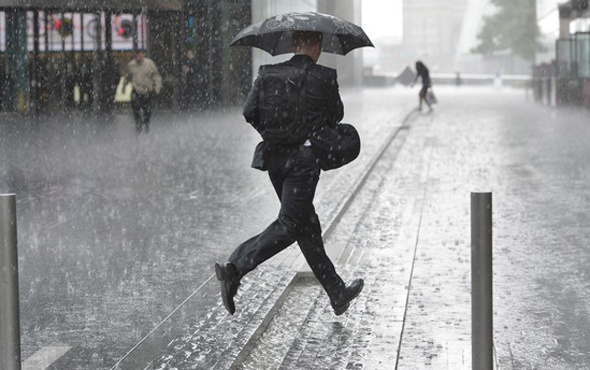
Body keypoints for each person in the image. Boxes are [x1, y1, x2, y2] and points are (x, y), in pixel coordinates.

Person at [215, 30, 364, 316]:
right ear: (317, 45)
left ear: (294, 44)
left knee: (306, 226)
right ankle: (235, 267)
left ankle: (337, 292)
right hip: (303, 164)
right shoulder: (324, 77)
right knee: (289, 225)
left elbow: (249, 112)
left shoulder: (268, 73)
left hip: (275, 160)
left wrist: (276, 133)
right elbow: (337, 117)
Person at [123, 51, 162, 132]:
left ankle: (146, 124)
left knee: (147, 110)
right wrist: (124, 87)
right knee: (136, 108)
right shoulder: (131, 65)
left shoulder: (149, 64)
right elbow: (127, 77)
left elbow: (156, 76)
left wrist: (157, 87)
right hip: (136, 90)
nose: (140, 57)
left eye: (141, 55)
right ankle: (138, 124)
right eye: (138, 55)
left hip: (147, 90)